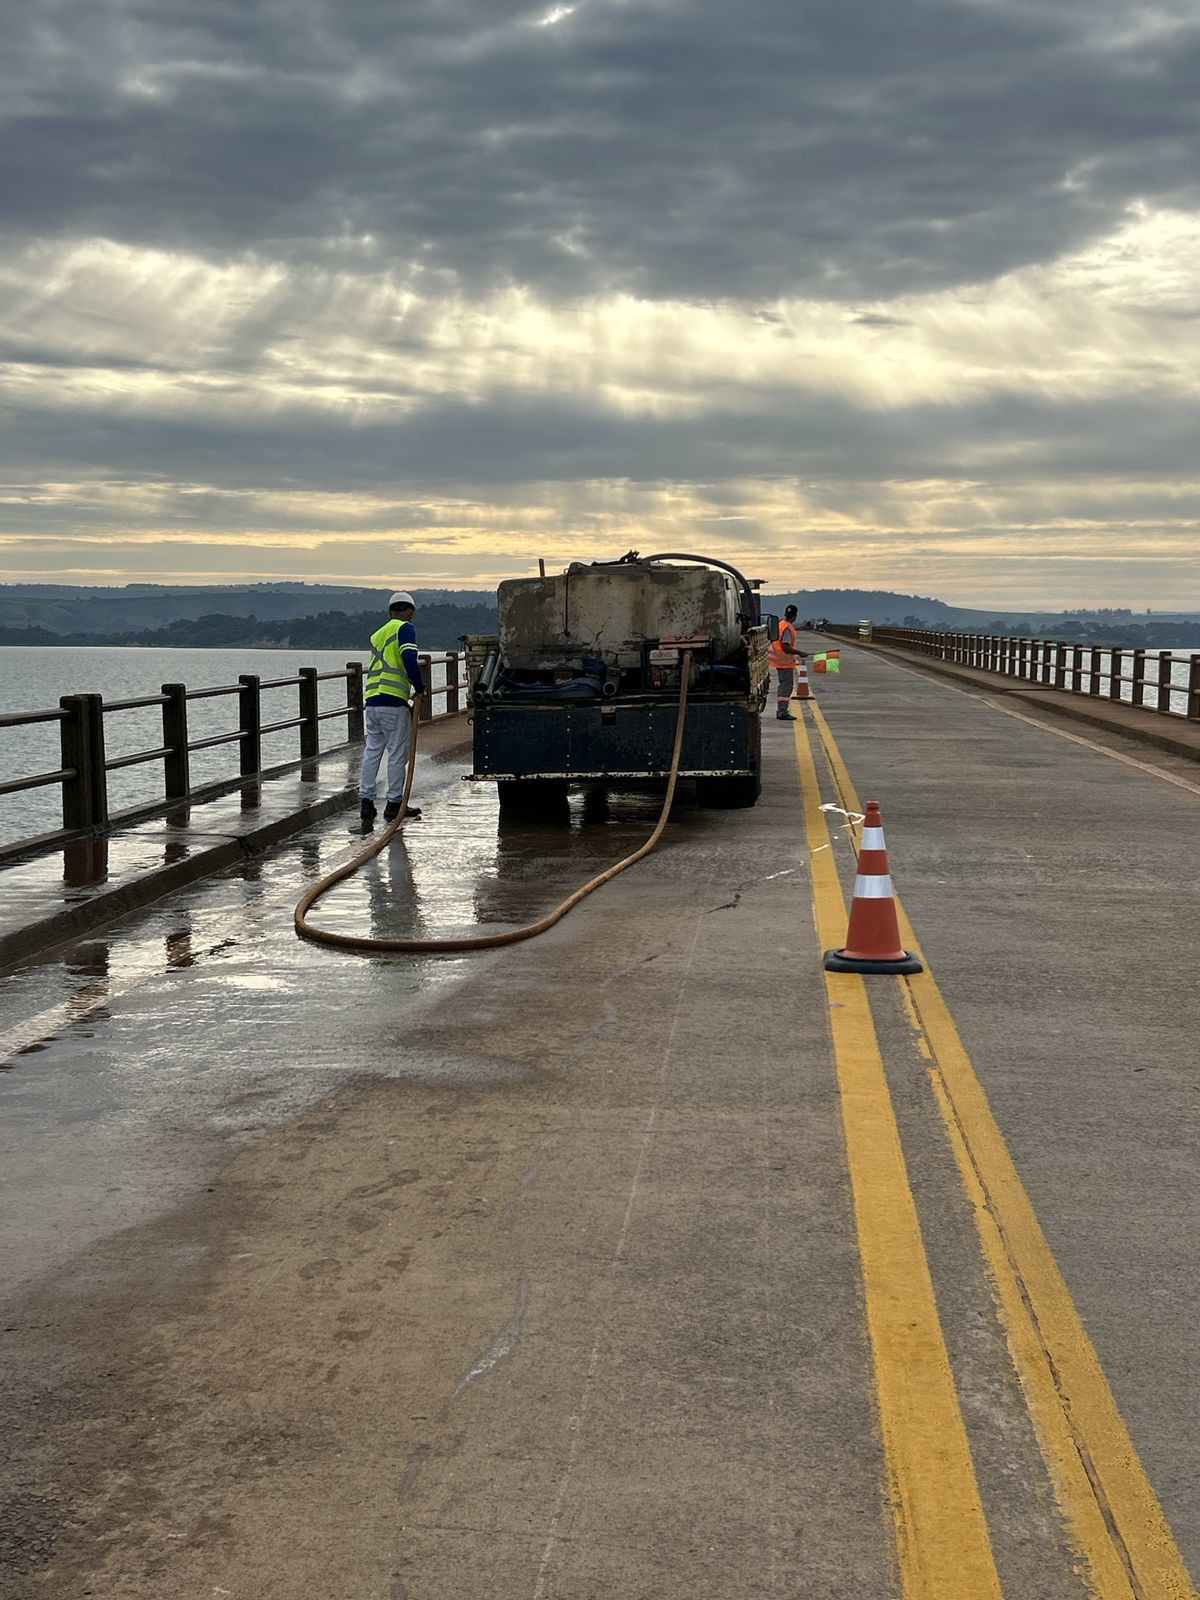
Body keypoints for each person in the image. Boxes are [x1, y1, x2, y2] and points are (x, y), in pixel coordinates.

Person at [359, 590, 425, 827]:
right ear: (409, 611)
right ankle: (394, 804)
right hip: (393, 701)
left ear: (390, 610)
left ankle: (366, 802)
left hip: (372, 701)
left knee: (372, 751)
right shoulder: (404, 629)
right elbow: (409, 658)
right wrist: (420, 687)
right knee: (397, 753)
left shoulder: (377, 634)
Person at [767, 604, 805, 721]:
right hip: (784, 661)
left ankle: (782, 711)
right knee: (786, 687)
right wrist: (799, 652)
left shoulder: (781, 624)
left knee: (784, 685)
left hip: (778, 659)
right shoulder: (787, 628)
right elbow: (785, 647)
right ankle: (782, 712)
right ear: (795, 616)